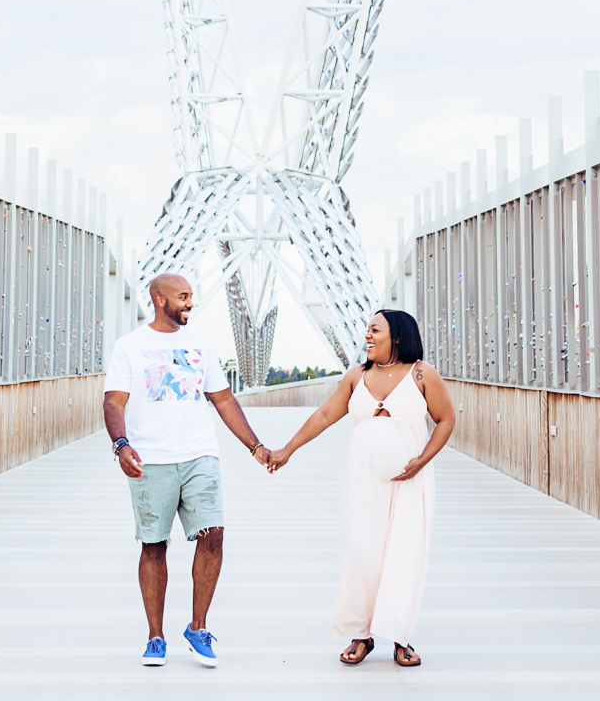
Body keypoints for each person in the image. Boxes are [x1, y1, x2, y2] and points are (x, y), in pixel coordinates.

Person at [267, 309, 454, 667]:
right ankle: (361, 635)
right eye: (367, 330)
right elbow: (324, 415)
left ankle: (401, 637)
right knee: (362, 554)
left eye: (374, 330)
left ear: (397, 336)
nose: (367, 336)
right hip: (363, 481)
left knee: (404, 553)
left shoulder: (421, 374)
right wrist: (287, 450)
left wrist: (422, 460)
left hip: (409, 482)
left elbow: (446, 419)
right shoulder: (356, 377)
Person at [103, 272, 272, 667]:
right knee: (154, 545)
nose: (190, 303)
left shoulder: (200, 344)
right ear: (159, 300)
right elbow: (114, 402)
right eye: (183, 297)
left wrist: (256, 446)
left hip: (200, 454)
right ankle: (155, 637)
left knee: (213, 535)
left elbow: (224, 399)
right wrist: (121, 444)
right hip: (151, 459)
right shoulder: (130, 347)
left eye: (191, 296)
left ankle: (198, 628)